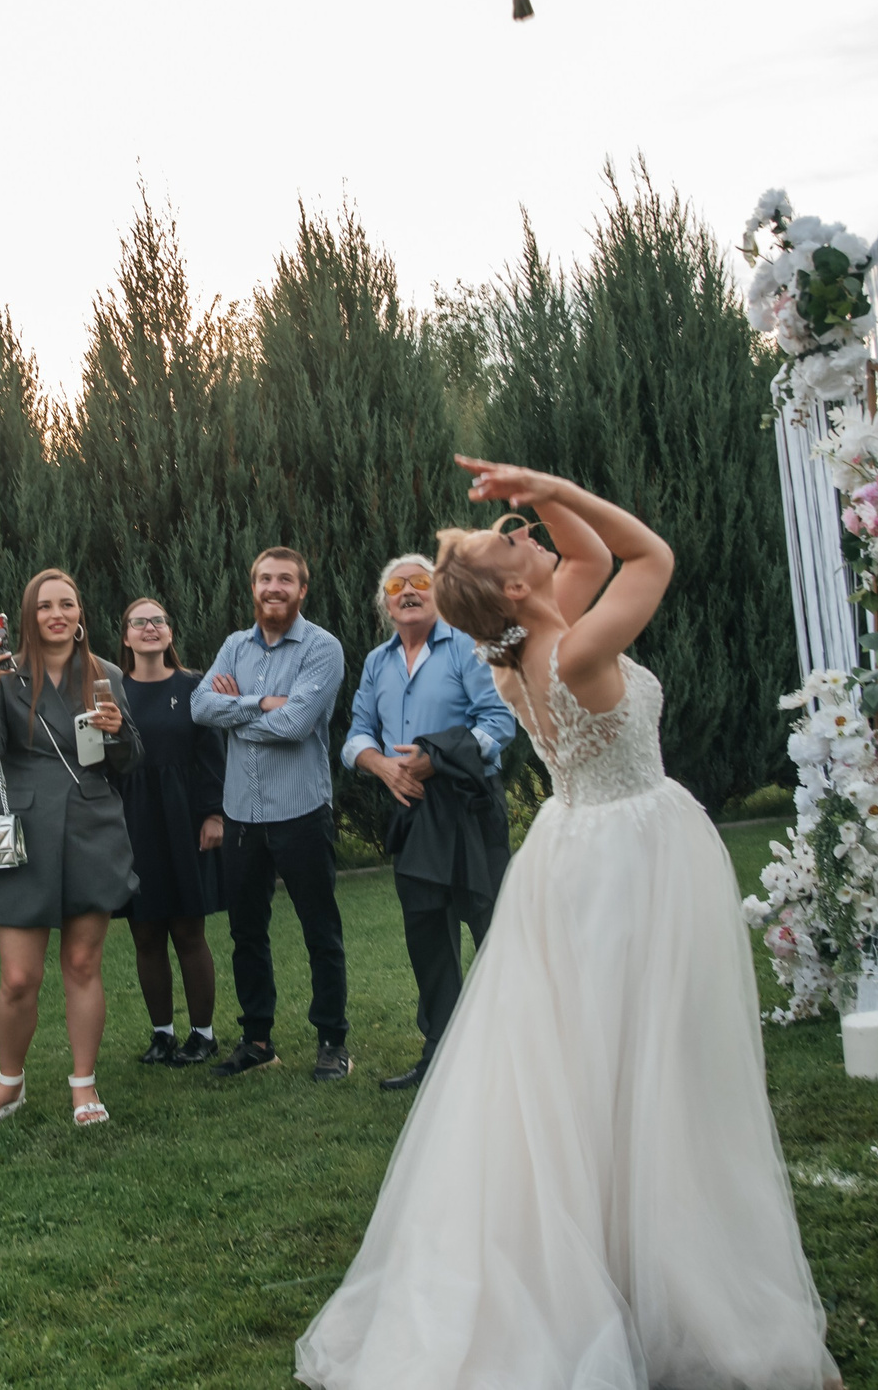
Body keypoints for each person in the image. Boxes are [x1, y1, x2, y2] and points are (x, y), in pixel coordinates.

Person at [294, 460, 839, 1390]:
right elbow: (651, 554)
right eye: (518, 539)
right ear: (514, 584)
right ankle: (673, 1284)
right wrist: (552, 483)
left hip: (583, 852)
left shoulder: (520, 650)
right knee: (651, 1065)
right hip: (629, 862)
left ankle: (622, 1252)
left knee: (598, 1068)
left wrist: (537, 491)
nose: (534, 533)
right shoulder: (575, 652)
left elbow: (586, 552)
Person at [0, 569, 142, 1129]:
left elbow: (129, 761)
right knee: (19, 978)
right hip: (26, 831)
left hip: (92, 827)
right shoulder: (9, 676)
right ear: (29, 617)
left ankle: (83, 1085)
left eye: (67, 604)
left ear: (80, 614)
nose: (57, 614)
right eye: (44, 606)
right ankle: (8, 1085)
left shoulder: (105, 673)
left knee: (83, 964)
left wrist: (117, 732)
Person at [340, 555, 520, 1092]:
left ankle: (514, 1051)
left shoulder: (469, 646)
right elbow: (356, 735)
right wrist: (383, 766)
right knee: (427, 938)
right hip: (413, 809)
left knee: (492, 930)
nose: (410, 591)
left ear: (440, 594)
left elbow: (499, 723)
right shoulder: (377, 661)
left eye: (422, 581)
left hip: (469, 806)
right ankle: (440, 1054)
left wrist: (434, 759)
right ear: (385, 601)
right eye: (398, 584)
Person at [192, 546, 352, 1083]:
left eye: (286, 579)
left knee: (320, 931)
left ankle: (332, 1041)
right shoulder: (234, 646)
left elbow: (298, 725)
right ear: (253, 587)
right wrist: (263, 703)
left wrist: (234, 713)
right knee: (246, 933)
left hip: (301, 811)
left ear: (302, 590)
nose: (274, 587)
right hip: (241, 816)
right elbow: (198, 707)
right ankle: (257, 1039)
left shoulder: (322, 648)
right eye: (265, 578)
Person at [114, 595, 225, 1068]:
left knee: (188, 930)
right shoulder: (111, 690)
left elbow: (211, 754)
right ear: (126, 636)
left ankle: (203, 1035)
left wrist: (215, 814)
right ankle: (162, 1035)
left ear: (170, 632)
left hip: (185, 819)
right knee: (145, 933)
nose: (150, 628)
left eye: (158, 620)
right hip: (132, 820)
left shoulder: (195, 685)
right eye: (140, 622)